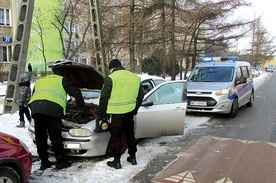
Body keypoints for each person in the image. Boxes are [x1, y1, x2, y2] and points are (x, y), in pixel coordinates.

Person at [28, 73, 85, 170]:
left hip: (36, 108)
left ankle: (44, 162)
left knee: (40, 137)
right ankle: (61, 161)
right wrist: (82, 108)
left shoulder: (40, 80)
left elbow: (35, 94)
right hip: (52, 109)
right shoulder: (63, 79)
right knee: (55, 137)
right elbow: (76, 93)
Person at [99, 59, 144, 169]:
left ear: (112, 68)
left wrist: (103, 115)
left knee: (116, 137)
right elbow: (140, 96)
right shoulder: (135, 78)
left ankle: (117, 161)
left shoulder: (110, 78)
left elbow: (104, 98)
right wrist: (135, 109)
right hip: (129, 112)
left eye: (110, 70)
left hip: (116, 114)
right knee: (130, 135)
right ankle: (133, 158)